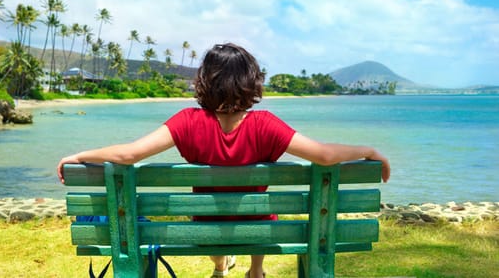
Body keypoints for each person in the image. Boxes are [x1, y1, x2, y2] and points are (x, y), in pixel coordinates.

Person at [57, 43, 390, 278]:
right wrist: (367, 151)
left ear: (206, 81)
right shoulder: (266, 125)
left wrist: (80, 155)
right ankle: (256, 270)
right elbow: (325, 156)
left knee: (213, 222)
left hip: (206, 230)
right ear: (251, 82)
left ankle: (220, 264)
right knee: (262, 211)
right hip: (262, 232)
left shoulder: (187, 121)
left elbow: (129, 155)